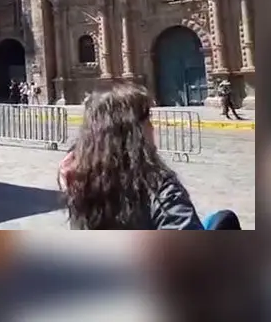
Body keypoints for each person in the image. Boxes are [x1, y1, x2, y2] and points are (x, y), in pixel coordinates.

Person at [58, 82, 203, 230]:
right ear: (133, 131)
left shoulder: (77, 179)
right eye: (148, 120)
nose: (153, 127)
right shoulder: (160, 189)